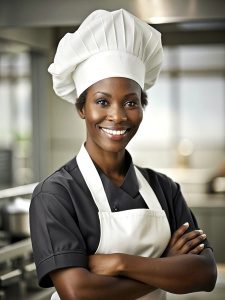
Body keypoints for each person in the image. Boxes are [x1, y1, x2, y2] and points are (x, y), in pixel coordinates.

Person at [29, 8, 217, 300]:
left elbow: (205, 274)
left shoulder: (164, 189)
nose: (117, 116)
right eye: (102, 101)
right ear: (82, 108)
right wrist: (166, 269)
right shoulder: (55, 194)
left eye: (130, 103)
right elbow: (78, 293)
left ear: (142, 108)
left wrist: (120, 263)